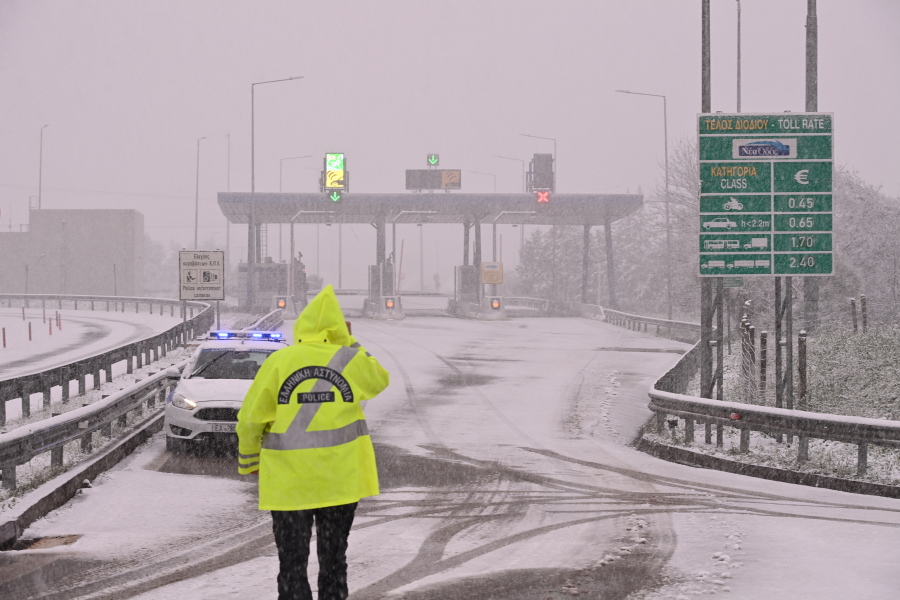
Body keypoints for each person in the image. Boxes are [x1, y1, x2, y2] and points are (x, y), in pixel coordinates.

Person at [237, 285, 390, 600]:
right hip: (340, 483)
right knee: (334, 561)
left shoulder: (280, 362)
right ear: (336, 327)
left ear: (301, 326)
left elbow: (251, 418)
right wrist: (348, 341)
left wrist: (250, 460)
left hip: (289, 486)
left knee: (292, 563)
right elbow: (379, 380)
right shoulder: (350, 359)